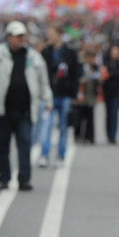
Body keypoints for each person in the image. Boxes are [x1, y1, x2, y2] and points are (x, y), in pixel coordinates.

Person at [0, 21, 53, 191]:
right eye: (17, 36)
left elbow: (43, 80)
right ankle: (4, 178)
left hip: (25, 109)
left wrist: (47, 99)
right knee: (2, 146)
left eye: (23, 36)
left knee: (25, 143)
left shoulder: (33, 56)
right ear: (8, 37)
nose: (21, 39)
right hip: (2, 109)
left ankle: (24, 178)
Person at [39, 24, 80, 168]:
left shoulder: (70, 52)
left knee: (63, 127)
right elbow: (41, 74)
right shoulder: (45, 52)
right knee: (46, 126)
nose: (48, 36)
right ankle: (44, 154)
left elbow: (76, 74)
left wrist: (75, 94)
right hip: (49, 95)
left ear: (58, 34)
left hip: (66, 95)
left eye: (50, 33)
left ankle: (61, 156)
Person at [102, 43, 119, 144]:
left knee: (114, 113)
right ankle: (109, 134)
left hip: (117, 92)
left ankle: (113, 135)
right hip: (108, 91)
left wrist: (111, 74)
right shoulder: (105, 64)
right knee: (108, 114)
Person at [73, 50, 100, 144]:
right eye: (89, 57)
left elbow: (99, 79)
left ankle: (89, 137)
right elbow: (76, 78)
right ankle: (78, 136)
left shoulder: (95, 67)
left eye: (93, 57)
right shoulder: (80, 67)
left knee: (90, 118)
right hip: (81, 95)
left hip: (91, 95)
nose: (91, 59)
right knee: (79, 117)